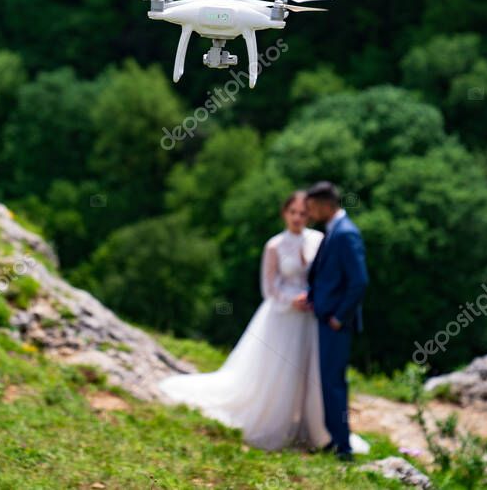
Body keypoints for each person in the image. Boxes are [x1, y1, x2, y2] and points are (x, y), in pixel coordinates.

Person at [158, 191, 369, 454]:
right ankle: (276, 421)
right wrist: (291, 300)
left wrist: (315, 300)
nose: (298, 217)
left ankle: (316, 428)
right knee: (279, 371)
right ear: (284, 213)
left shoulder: (320, 240)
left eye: (304, 213)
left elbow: (327, 277)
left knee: (313, 374)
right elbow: (268, 288)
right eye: (293, 212)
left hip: (313, 318)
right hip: (283, 317)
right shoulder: (274, 245)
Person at [304, 181, 369, 461]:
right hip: (327, 318)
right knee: (328, 381)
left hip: (336, 324)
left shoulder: (346, 234)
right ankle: (335, 438)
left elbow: (359, 282)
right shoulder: (334, 232)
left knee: (333, 383)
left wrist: (339, 318)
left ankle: (344, 448)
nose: (310, 212)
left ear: (326, 204)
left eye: (312, 207)